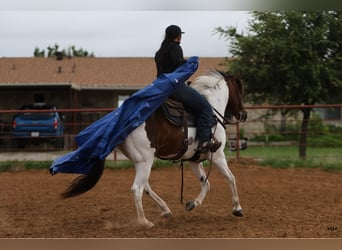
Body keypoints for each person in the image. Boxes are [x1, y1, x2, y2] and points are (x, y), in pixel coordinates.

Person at [154, 25, 221, 153]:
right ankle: (204, 142)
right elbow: (178, 63)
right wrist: (189, 63)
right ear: (178, 36)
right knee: (205, 108)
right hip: (175, 87)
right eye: (181, 35)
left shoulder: (159, 52)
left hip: (160, 86)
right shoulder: (176, 48)